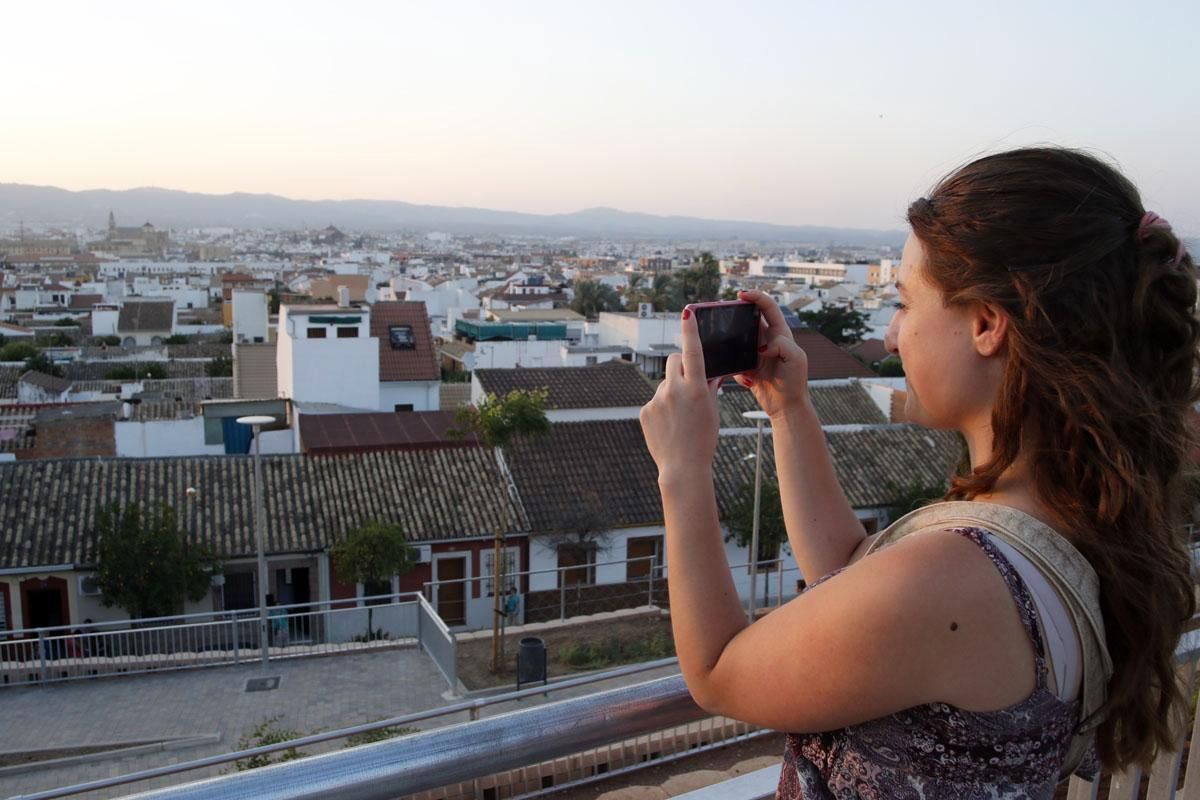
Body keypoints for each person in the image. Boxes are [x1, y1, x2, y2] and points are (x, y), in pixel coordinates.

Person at [639, 147, 1197, 797]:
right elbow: (848, 573)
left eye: (905, 302)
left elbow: (716, 671)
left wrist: (682, 471)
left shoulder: (959, 575)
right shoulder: (1062, 525)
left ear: (987, 323)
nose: (892, 335)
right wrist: (789, 408)